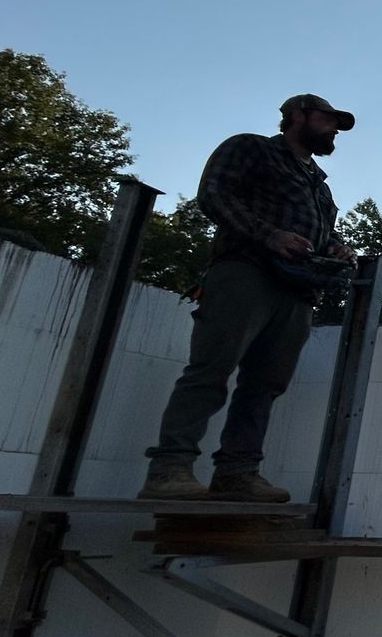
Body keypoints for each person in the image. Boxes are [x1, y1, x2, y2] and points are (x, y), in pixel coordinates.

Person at [138, 94, 357, 502]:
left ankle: (237, 473)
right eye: (329, 121)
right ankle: (169, 469)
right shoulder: (250, 147)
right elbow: (214, 195)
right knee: (211, 369)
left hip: (295, 289)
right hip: (244, 272)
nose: (334, 131)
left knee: (265, 385)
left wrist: (337, 249)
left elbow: (323, 234)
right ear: (298, 115)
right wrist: (270, 236)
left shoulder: (320, 186)